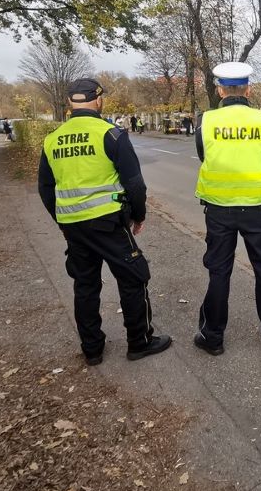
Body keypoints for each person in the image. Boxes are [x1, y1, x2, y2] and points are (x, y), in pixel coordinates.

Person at [37, 78, 171, 365]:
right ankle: (139, 342)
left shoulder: (53, 138)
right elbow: (135, 184)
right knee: (133, 276)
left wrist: (62, 220)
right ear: (98, 101)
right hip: (108, 223)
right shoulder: (111, 135)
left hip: (74, 226)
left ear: (71, 104)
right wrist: (139, 215)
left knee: (85, 285)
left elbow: (45, 188)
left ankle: (92, 350)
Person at [194, 62, 261, 355]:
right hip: (257, 207)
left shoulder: (205, 120)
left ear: (220, 90)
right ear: (248, 89)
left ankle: (213, 338)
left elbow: (202, 155)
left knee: (219, 272)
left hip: (219, 208)